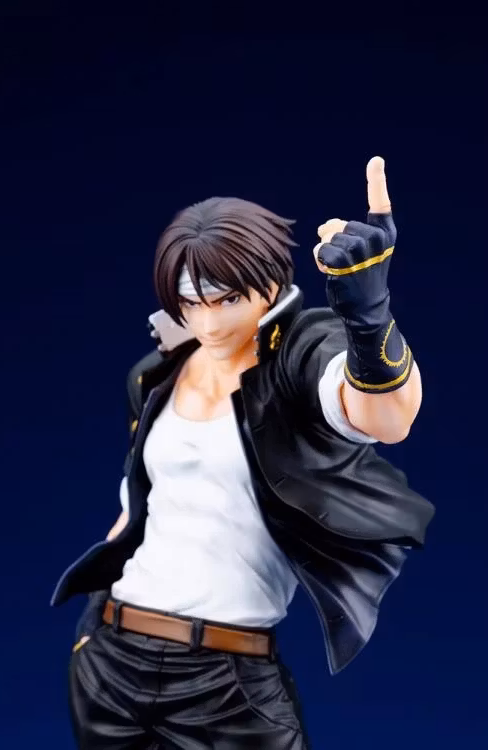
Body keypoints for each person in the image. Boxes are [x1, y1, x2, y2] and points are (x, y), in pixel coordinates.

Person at [52, 156, 435, 749]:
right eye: (190, 301)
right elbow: (139, 509)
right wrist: (90, 626)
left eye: (227, 298)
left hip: (228, 677)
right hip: (111, 659)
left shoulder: (299, 359)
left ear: (271, 283)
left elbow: (388, 418)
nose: (208, 322)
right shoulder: (155, 376)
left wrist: (368, 314)